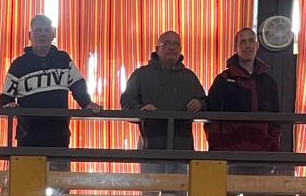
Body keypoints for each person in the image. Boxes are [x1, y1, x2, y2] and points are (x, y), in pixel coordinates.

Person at [0, 14, 95, 154]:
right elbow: (5, 99)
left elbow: (78, 85)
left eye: (47, 30)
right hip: (27, 139)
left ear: (53, 34)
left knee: (59, 169)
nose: (42, 34)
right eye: (38, 30)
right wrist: (8, 106)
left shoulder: (63, 59)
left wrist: (87, 103)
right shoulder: (18, 65)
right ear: (30, 35)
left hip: (59, 138)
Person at [120, 31, 205, 164]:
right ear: (157, 49)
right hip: (151, 148)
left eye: (176, 44)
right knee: (151, 179)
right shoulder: (141, 74)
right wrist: (141, 109)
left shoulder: (189, 77)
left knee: (181, 179)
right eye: (166, 44)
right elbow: (127, 101)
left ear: (180, 49)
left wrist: (200, 104)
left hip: (183, 150)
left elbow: (206, 102)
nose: (172, 47)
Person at [205, 28, 281, 168]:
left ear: (256, 45)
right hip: (229, 157)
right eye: (243, 42)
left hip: (262, 156)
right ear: (236, 47)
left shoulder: (269, 82)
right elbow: (211, 119)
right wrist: (217, 151)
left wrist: (272, 149)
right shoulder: (223, 80)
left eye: (250, 41)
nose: (247, 46)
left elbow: (276, 121)